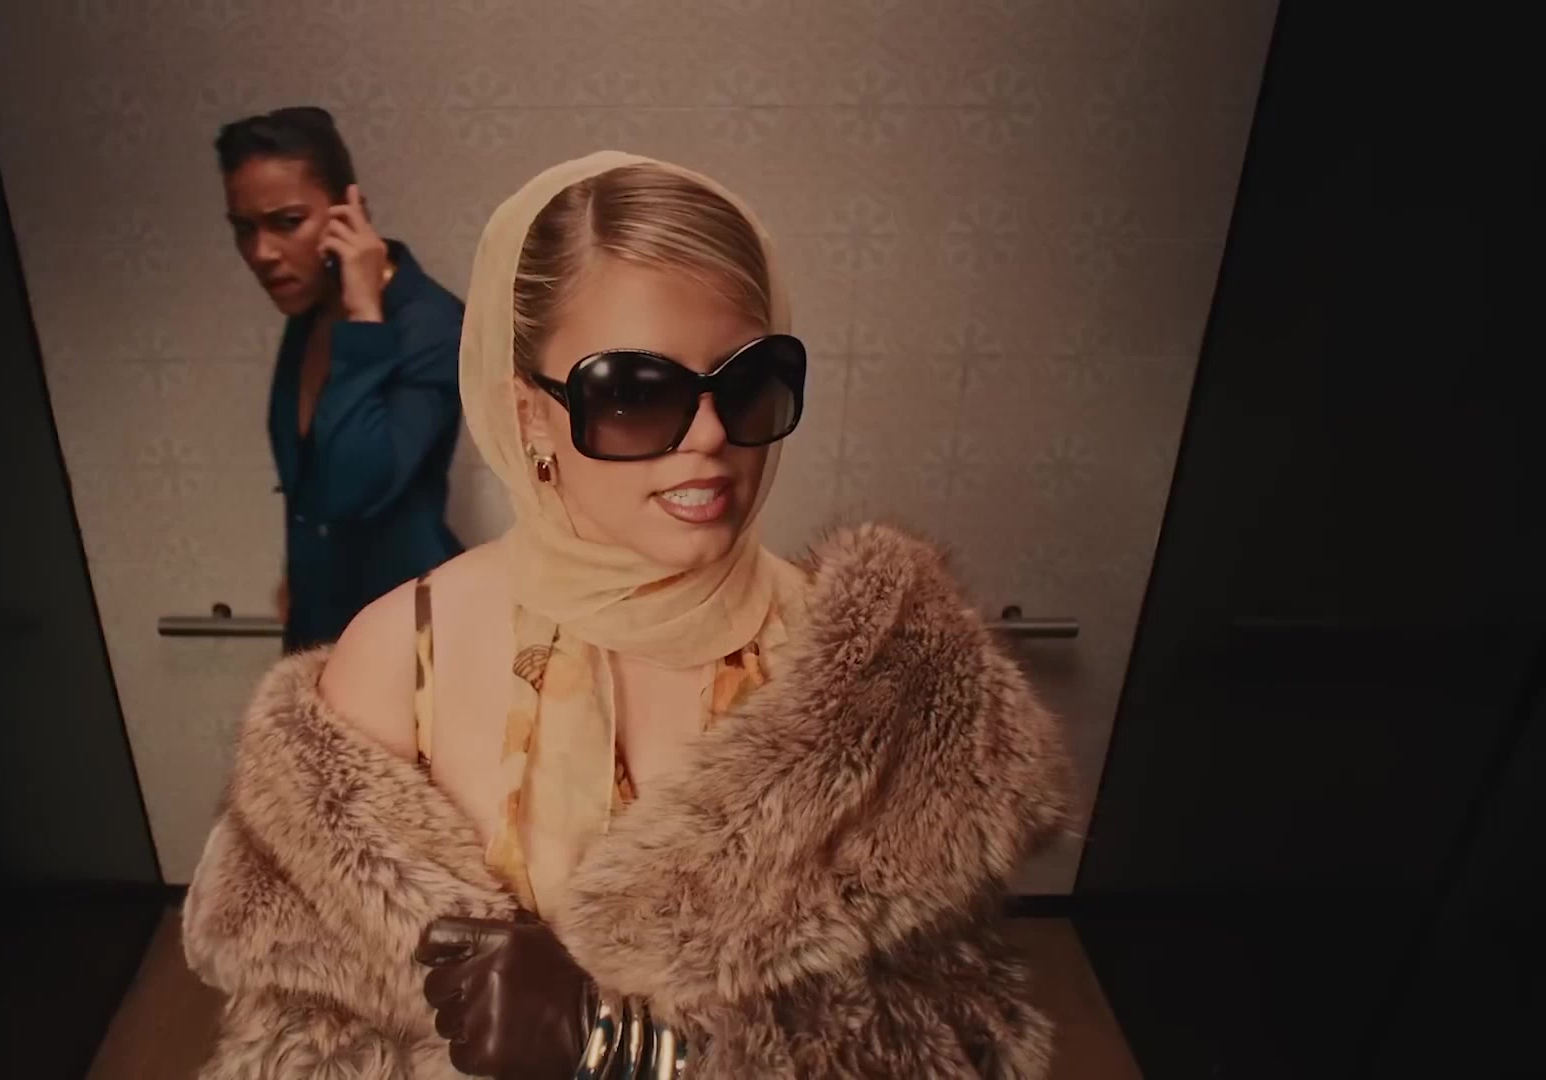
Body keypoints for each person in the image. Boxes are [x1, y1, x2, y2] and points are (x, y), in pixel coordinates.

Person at [183, 151, 1069, 1078]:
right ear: (530, 413)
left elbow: (950, 1042)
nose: (711, 436)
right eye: (634, 392)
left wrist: (623, 1047)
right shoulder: (399, 659)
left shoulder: (878, 676)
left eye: (750, 379)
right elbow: (303, 1042)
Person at [216, 107, 465, 651]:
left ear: (351, 212)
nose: (262, 253)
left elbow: (360, 483)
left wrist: (365, 319)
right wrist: (298, 573)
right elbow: (311, 482)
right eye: (243, 228)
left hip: (411, 640)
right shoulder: (309, 309)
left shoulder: (434, 325)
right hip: (318, 631)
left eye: (287, 222)